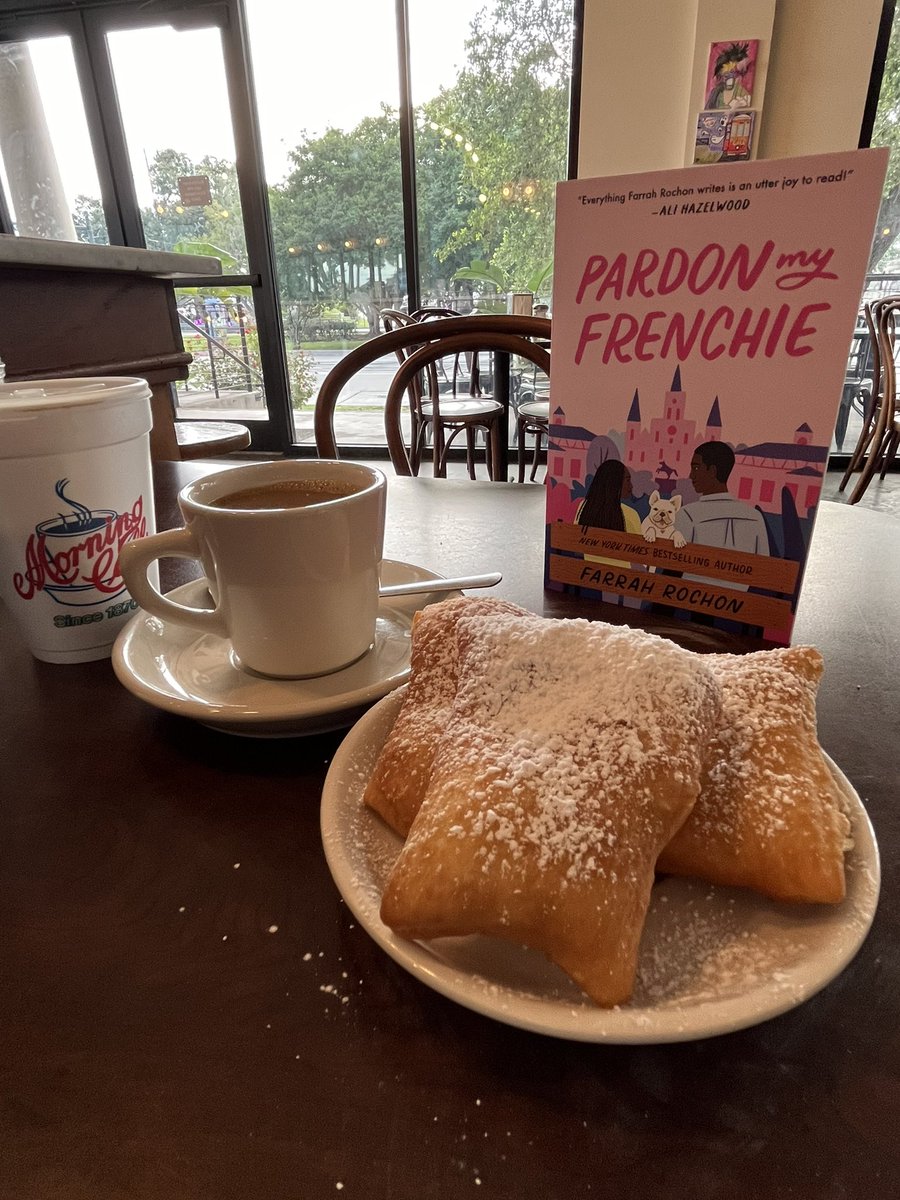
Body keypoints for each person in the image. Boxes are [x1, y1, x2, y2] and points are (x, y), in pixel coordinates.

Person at [674, 442, 770, 556]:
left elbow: (672, 563)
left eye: (696, 467)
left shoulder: (687, 515)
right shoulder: (755, 517)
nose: (691, 475)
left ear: (712, 471)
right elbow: (764, 566)